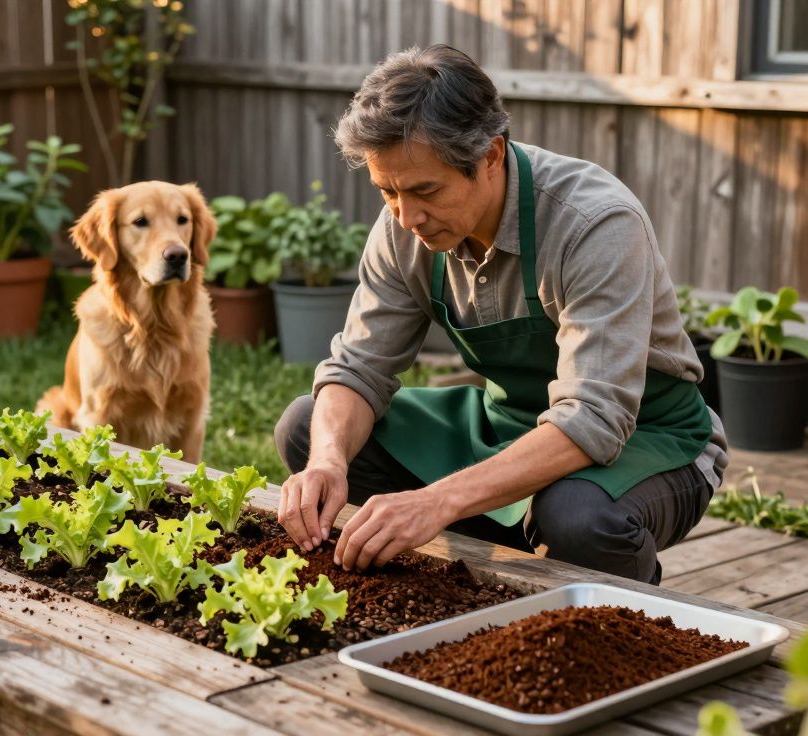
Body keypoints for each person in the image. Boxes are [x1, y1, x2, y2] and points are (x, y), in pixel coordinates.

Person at [272, 45, 728, 584]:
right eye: (386, 191)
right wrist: (327, 460)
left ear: (490, 155)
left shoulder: (596, 224)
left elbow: (595, 418)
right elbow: (359, 369)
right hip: (506, 426)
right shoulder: (403, 225)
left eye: (425, 190)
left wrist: (436, 501)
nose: (405, 215)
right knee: (309, 428)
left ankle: (631, 609)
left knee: (578, 519)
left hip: (649, 438)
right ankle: (490, 564)